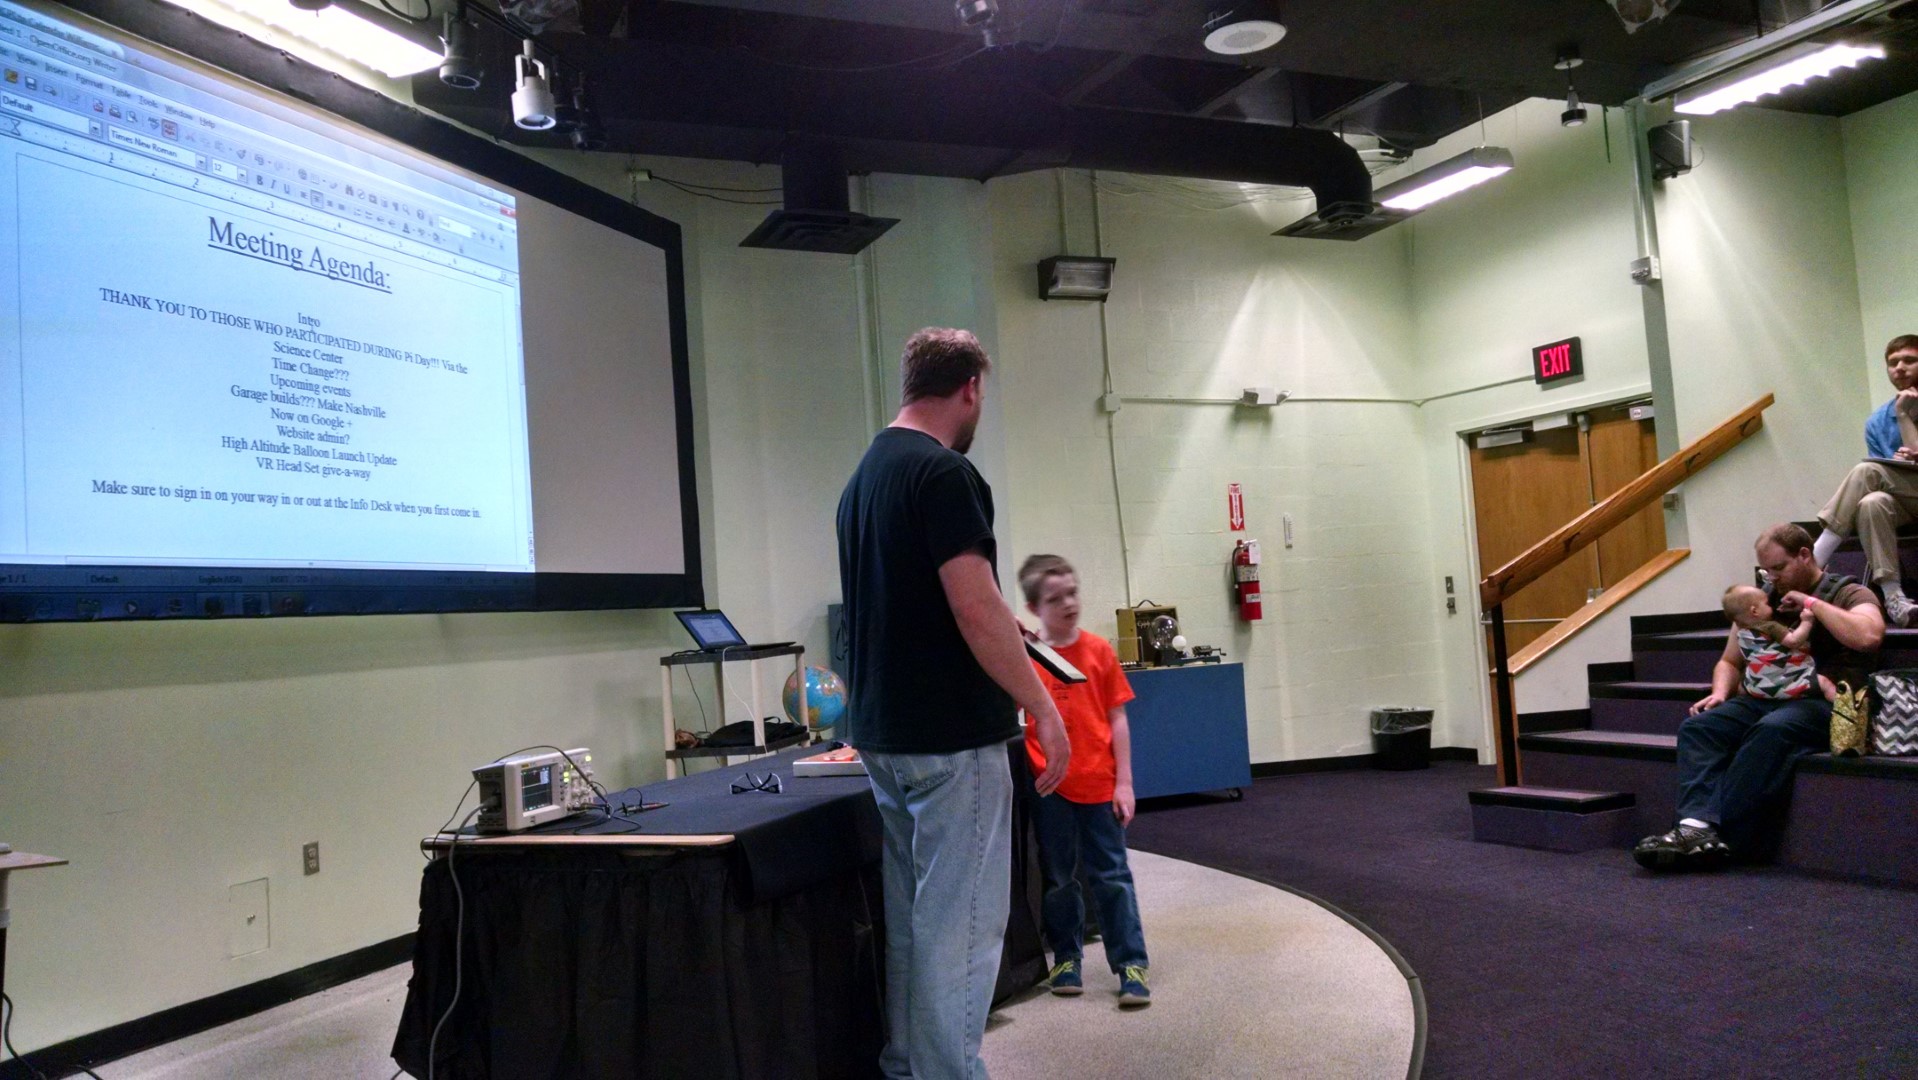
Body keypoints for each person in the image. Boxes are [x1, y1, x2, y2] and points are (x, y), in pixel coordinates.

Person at [836, 327, 1072, 1080]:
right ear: (970, 388)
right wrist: (1043, 705)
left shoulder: (864, 477)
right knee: (962, 930)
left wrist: (1003, 624)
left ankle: (908, 1065)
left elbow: (934, 603)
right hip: (952, 740)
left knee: (916, 924)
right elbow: (972, 605)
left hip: (885, 737)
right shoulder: (944, 474)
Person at [1634, 524, 1883, 871]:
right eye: (1767, 571)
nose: (1772, 578)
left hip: (1823, 701)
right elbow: (1729, 661)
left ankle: (1722, 837)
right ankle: (1695, 826)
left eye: (1779, 568)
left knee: (1771, 729)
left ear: (1805, 555)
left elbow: (1869, 636)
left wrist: (1812, 603)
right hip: (1765, 696)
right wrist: (1720, 692)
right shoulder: (1760, 601)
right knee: (1700, 728)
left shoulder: (1849, 592)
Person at [1016, 554, 1152, 1009]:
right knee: (1058, 878)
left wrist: (1124, 783)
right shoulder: (1028, 658)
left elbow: (1118, 720)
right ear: (1035, 608)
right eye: (1055, 599)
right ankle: (1066, 959)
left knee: (1111, 875)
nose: (1069, 604)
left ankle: (1131, 963)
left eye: (1072, 593)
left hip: (1099, 785)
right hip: (1050, 787)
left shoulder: (1098, 652)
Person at [1813, 334, 1918, 626]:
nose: (1899, 367)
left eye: (1909, 360)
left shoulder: (1898, 412)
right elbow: (1881, 474)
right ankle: (1894, 597)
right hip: (1907, 499)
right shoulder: (1876, 421)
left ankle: (1815, 559)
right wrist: (1896, 466)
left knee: (1866, 471)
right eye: (1893, 363)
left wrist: (1904, 415)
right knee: (1872, 502)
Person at [1719, 583, 1824, 701]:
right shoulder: (1770, 627)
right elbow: (1794, 641)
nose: (1771, 607)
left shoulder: (1741, 633)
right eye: (1767, 604)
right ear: (1754, 611)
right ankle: (1840, 710)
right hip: (1787, 683)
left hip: (1758, 689)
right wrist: (1807, 621)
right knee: (1825, 684)